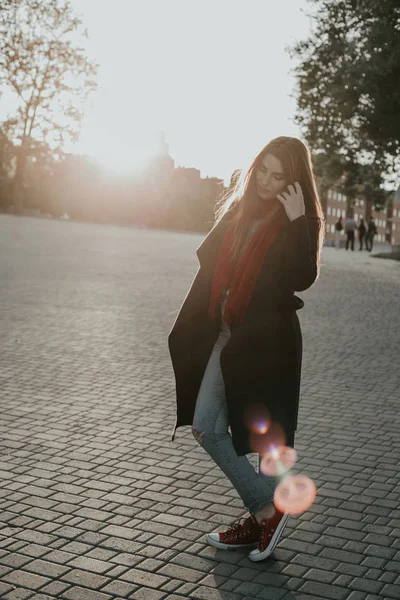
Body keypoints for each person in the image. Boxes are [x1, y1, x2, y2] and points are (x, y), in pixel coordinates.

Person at [168, 137, 324, 562]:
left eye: (280, 177)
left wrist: (298, 222)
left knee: (264, 436)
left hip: (267, 341)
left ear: (294, 183)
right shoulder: (241, 210)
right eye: (264, 173)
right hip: (226, 332)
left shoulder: (296, 218)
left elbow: (301, 277)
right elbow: (211, 264)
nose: (268, 183)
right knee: (207, 425)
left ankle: (262, 514)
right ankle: (264, 513)